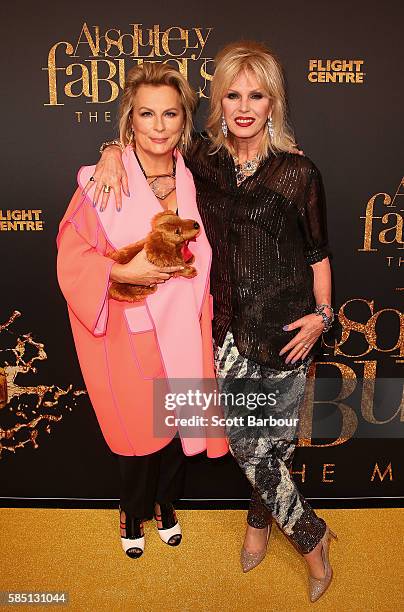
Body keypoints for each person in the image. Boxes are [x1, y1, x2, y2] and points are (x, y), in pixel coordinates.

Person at [91, 41, 336, 602]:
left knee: (275, 447)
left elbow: (319, 255)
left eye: (257, 94)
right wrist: (112, 147)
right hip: (224, 333)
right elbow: (153, 142)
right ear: (218, 103)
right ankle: (313, 538)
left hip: (291, 332)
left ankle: (257, 524)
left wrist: (322, 317)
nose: (244, 106)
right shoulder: (202, 161)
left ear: (274, 103)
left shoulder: (300, 173)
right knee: (251, 449)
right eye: (233, 94)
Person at [56, 62, 228, 560]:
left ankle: (166, 505)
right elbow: (71, 254)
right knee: (138, 435)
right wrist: (116, 275)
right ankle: (132, 510)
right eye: (146, 114)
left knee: (177, 432)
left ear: (184, 121)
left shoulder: (198, 178)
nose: (158, 125)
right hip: (126, 331)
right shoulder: (102, 181)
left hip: (186, 329)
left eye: (169, 114)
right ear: (130, 119)